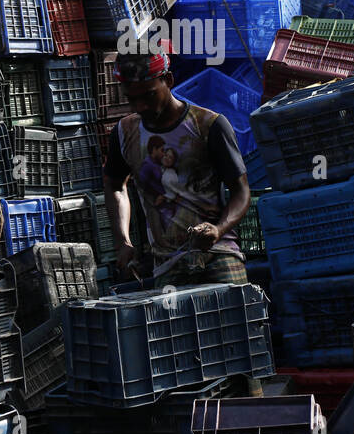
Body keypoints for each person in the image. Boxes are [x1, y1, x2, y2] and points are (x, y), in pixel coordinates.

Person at [102, 46, 251, 288]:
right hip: (166, 264)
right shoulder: (124, 132)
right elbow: (115, 186)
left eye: (148, 96)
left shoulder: (208, 125)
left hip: (219, 255)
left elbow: (241, 191)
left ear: (168, 81)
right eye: (132, 99)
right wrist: (123, 242)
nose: (140, 107)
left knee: (235, 319)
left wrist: (218, 228)